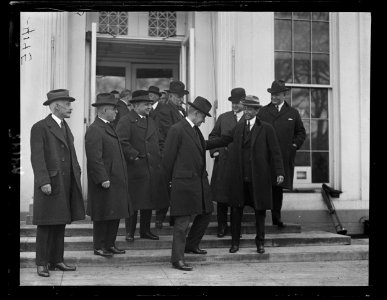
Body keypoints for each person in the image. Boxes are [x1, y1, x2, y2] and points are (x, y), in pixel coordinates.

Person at [161, 96, 232, 271]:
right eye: (203, 117)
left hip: (199, 182)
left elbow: (203, 145)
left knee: (207, 212)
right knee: (182, 223)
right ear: (196, 113)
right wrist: (169, 184)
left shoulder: (195, 130)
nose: (204, 121)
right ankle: (177, 259)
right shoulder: (177, 129)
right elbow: (167, 160)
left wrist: (227, 138)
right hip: (183, 184)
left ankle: (191, 245)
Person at [30, 89, 85, 277]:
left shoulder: (64, 126)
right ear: (56, 106)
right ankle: (42, 263)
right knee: (46, 224)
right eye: (67, 104)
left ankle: (57, 260)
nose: (71, 108)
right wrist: (43, 181)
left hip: (65, 182)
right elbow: (37, 158)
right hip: (51, 183)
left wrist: (76, 173)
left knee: (60, 223)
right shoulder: (40, 127)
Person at [225, 95, 285, 254]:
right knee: (236, 211)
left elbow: (275, 152)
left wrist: (279, 172)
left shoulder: (266, 128)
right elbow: (225, 139)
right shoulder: (238, 127)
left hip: (258, 178)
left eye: (250, 108)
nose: (246, 111)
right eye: (245, 108)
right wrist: (204, 144)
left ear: (257, 111)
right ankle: (235, 243)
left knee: (260, 211)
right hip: (240, 178)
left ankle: (260, 243)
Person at [116, 90, 169, 242]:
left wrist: (161, 156)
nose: (149, 107)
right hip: (135, 168)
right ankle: (130, 232)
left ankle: (145, 231)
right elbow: (121, 141)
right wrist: (135, 155)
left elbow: (160, 141)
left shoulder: (151, 121)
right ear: (136, 105)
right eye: (146, 104)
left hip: (152, 168)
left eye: (150, 104)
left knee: (148, 201)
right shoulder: (126, 120)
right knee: (133, 203)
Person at [85, 93, 133, 257]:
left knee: (114, 213)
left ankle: (110, 244)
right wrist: (102, 178)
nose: (116, 112)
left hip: (115, 180)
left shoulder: (109, 126)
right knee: (102, 215)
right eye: (114, 109)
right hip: (105, 181)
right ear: (104, 110)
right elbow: (94, 158)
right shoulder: (95, 129)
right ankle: (99, 246)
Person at [257, 80, 306, 228]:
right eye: (272, 94)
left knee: (277, 188)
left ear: (284, 95)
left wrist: (293, 145)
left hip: (283, 157)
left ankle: (276, 218)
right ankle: (260, 220)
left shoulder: (293, 113)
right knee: (263, 187)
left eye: (277, 94)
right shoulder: (263, 112)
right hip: (265, 158)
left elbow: (301, 133)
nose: (274, 97)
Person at [209, 87, 246, 238]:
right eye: (233, 102)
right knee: (222, 197)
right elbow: (213, 136)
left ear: (244, 102)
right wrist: (215, 151)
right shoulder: (223, 118)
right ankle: (222, 226)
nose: (235, 105)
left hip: (241, 164)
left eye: (238, 102)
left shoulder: (249, 119)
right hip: (224, 162)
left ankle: (236, 228)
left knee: (238, 197)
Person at [154, 80, 189, 229]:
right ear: (170, 96)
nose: (180, 99)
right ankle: (159, 219)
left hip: (180, 154)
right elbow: (167, 133)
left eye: (181, 96)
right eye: (177, 96)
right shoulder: (164, 110)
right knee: (165, 187)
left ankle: (174, 218)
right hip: (168, 154)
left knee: (177, 188)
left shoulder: (182, 111)